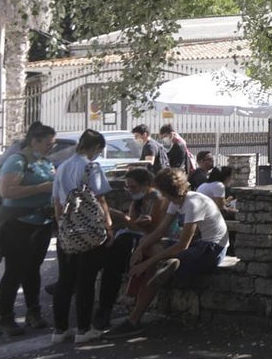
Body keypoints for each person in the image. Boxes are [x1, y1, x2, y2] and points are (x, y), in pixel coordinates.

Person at [107, 168, 229, 339]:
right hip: (194, 246)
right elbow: (159, 231)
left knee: (157, 261)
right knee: (148, 245)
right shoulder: (176, 201)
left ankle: (134, 318)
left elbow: (182, 244)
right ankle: (168, 265)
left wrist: (146, 263)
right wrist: (140, 249)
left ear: (167, 191)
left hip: (211, 249)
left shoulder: (194, 203)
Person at [0, 122, 57, 337]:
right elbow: (7, 191)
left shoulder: (45, 162)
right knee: (14, 271)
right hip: (18, 224)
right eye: (48, 143)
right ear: (34, 141)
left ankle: (33, 313)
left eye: (52, 143)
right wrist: (39, 188)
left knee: (33, 270)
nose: (51, 147)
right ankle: (6, 319)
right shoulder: (17, 160)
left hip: (42, 223)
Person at [51, 129, 114, 345]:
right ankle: (83, 329)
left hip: (67, 230)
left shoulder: (62, 167)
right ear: (96, 148)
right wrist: (108, 224)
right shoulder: (91, 166)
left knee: (65, 281)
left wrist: (61, 225)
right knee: (85, 281)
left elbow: (57, 203)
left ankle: (60, 330)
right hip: (88, 231)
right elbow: (100, 198)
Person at [93, 167, 168, 330]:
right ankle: (104, 309)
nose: (129, 190)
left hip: (153, 241)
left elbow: (158, 230)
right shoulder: (138, 200)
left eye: (132, 186)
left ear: (146, 184)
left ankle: (106, 309)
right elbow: (134, 224)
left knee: (120, 247)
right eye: (128, 186)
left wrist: (125, 219)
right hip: (137, 238)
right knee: (110, 249)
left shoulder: (158, 199)